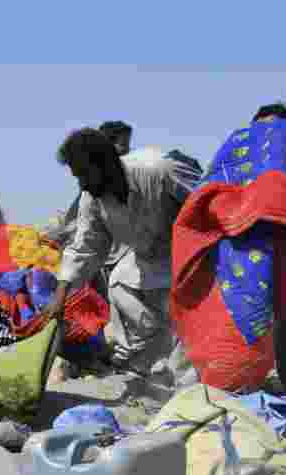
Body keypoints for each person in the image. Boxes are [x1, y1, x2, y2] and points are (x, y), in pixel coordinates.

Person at [167, 103, 286, 397]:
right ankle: (243, 383)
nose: (269, 137)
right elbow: (208, 197)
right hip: (240, 255)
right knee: (239, 319)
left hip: (285, 254)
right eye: (263, 129)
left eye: (276, 129)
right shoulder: (233, 165)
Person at [44, 127, 201, 376]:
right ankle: (147, 356)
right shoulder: (91, 198)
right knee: (119, 283)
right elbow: (85, 247)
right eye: (77, 177)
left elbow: (206, 199)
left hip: (192, 259)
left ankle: (185, 363)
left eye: (84, 174)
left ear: (104, 164)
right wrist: (60, 297)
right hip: (148, 260)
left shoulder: (158, 169)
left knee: (190, 333)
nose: (82, 183)